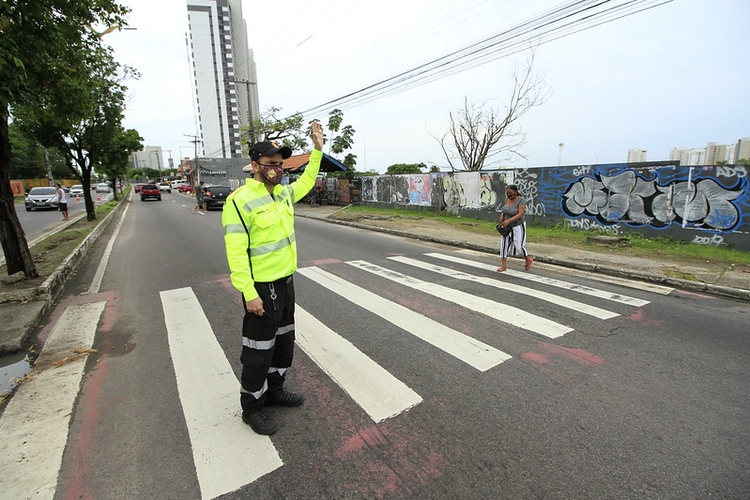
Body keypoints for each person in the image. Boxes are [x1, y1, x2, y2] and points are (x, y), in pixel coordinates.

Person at [221, 121, 324, 435]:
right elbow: (236, 252)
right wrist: (248, 292)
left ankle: (274, 390)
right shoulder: (239, 201)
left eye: (280, 165)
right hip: (261, 289)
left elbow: (306, 180)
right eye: (271, 165)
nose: (277, 170)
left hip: (285, 283)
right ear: (255, 166)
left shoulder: (283, 195)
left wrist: (317, 150)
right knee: (258, 349)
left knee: (283, 342)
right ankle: (252, 407)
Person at [497, 184, 533, 272]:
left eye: (511, 193)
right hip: (506, 226)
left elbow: (520, 214)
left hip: (517, 225)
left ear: (516, 192)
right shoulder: (507, 199)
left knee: (518, 246)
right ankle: (503, 266)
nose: (509, 195)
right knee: (504, 245)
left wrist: (509, 221)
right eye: (508, 193)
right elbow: (504, 209)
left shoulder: (521, 200)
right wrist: (502, 218)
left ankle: (528, 259)